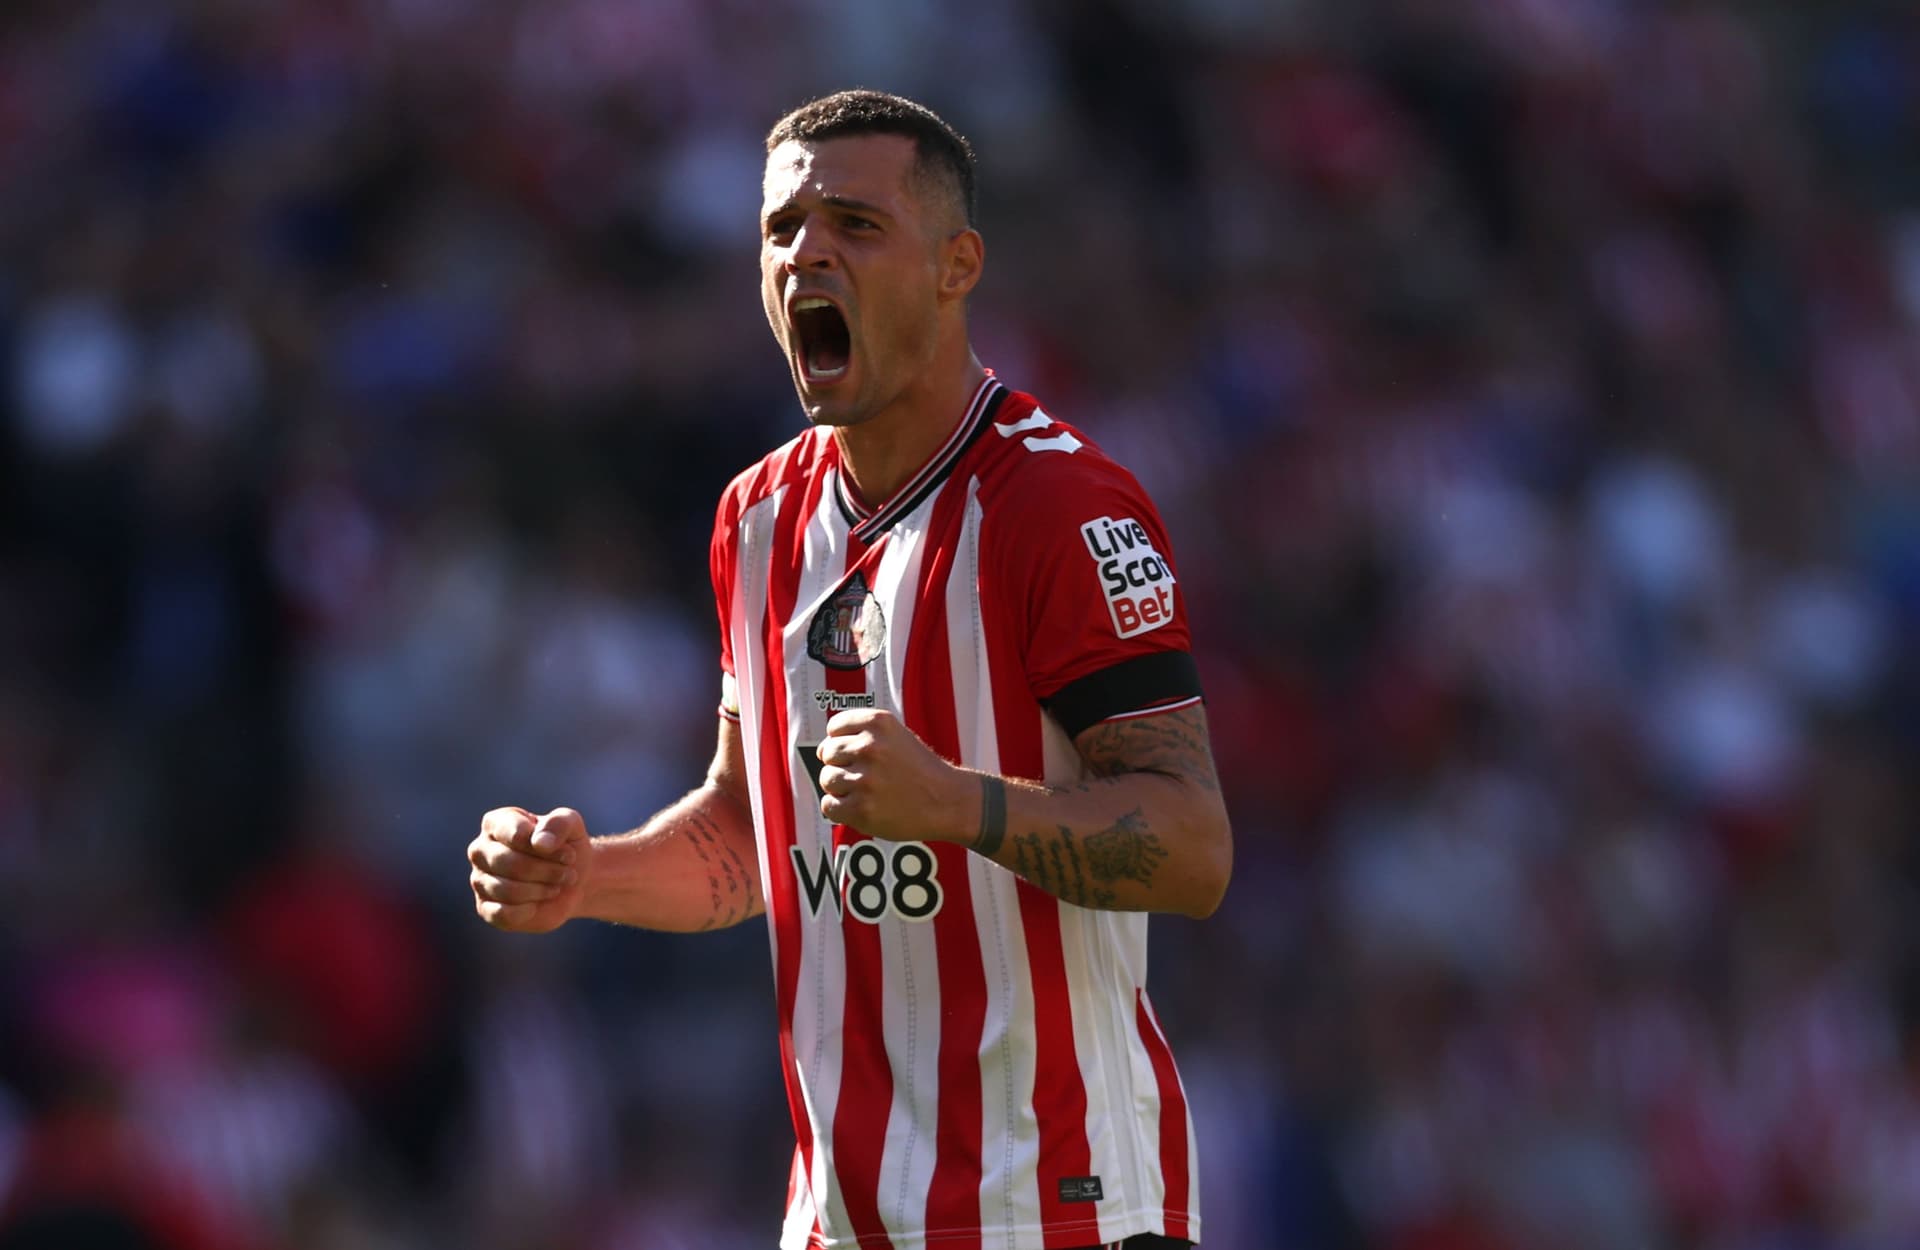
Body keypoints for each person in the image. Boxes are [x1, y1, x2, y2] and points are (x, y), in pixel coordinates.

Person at [467, 89, 1232, 1250]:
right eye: (782, 231)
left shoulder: (1060, 507)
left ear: (955, 264)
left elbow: (1192, 846)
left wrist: (954, 804)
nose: (807, 251)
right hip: (840, 1219)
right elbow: (747, 835)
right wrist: (589, 878)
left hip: (1062, 1210)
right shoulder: (758, 520)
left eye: (856, 225)